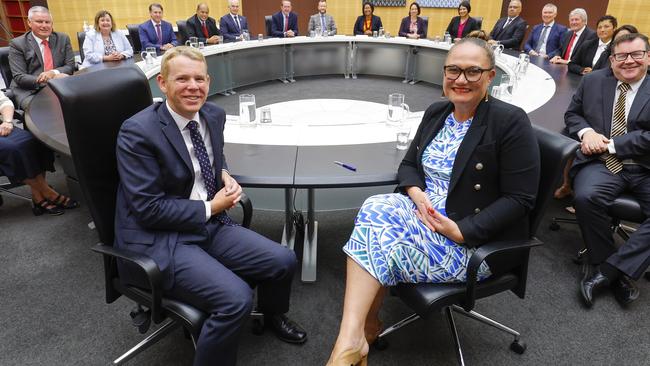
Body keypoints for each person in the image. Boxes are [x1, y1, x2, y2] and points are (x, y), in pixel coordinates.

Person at [326, 37, 540, 365]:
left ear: (490, 76)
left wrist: (461, 230)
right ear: (444, 73)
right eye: (453, 70)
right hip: (425, 214)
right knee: (375, 207)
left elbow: (520, 199)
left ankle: (354, 339)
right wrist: (417, 194)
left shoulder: (510, 121)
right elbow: (409, 165)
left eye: (473, 72)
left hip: (469, 238)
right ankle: (356, 334)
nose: (461, 79)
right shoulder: (438, 111)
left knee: (378, 229)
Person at [115, 46, 307, 366]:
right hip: (161, 237)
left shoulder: (213, 115)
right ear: (162, 83)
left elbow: (204, 156)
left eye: (199, 78)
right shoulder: (138, 131)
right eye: (182, 79)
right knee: (236, 299)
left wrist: (222, 172)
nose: (193, 86)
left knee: (283, 259)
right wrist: (212, 207)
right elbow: (147, 209)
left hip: (207, 223)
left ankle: (272, 316)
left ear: (209, 80)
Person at [566, 33, 650, 308]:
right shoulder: (592, 81)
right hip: (601, 164)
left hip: (644, 166)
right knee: (585, 198)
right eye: (621, 56)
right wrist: (587, 132)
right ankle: (613, 271)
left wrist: (612, 144)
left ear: (648, 57)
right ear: (611, 59)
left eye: (636, 54)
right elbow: (572, 115)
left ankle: (607, 271)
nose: (629, 61)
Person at [0, 90, 78, 215]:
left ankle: (38, 195)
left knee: (34, 141)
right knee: (13, 149)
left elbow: (4, 102)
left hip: (2, 127)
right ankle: (49, 193)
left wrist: (7, 122)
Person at [8, 6, 74, 109]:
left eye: (47, 22)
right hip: (30, 91)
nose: (44, 26)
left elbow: (70, 66)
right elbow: (19, 77)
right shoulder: (17, 44)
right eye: (39, 22)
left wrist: (53, 73)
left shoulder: (62, 38)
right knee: (45, 110)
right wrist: (48, 80)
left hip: (59, 87)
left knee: (80, 102)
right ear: (29, 23)